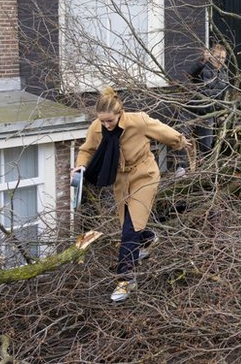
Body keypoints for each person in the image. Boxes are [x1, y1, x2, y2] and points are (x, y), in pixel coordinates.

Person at [72, 87, 191, 302]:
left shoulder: (138, 121)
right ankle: (149, 238)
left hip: (144, 174)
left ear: (120, 114)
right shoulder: (96, 127)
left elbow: (164, 132)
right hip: (121, 179)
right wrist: (80, 166)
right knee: (128, 224)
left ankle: (126, 279)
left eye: (110, 121)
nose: (107, 125)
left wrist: (181, 142)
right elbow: (86, 150)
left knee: (130, 227)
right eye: (102, 121)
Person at [185, 42, 229, 157]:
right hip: (192, 110)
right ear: (211, 56)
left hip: (208, 113)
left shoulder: (224, 74)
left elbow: (223, 97)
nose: (220, 60)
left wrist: (222, 114)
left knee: (206, 145)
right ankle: (182, 166)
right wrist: (203, 61)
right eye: (218, 57)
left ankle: (204, 166)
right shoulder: (202, 67)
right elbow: (188, 75)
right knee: (183, 140)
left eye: (223, 58)